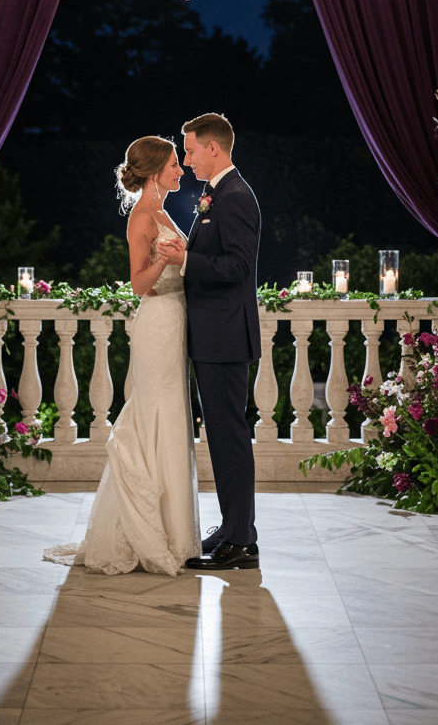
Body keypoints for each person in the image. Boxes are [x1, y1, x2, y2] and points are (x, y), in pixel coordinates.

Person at [44, 135, 201, 575]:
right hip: (157, 321)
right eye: (174, 164)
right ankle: (146, 532)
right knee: (155, 411)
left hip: (174, 321)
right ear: (154, 172)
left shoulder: (161, 210)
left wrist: (183, 259)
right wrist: (169, 262)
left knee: (170, 414)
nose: (180, 170)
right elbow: (138, 284)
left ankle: (173, 530)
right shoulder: (141, 218)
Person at [157, 112, 261, 570]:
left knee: (229, 437)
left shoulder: (235, 197)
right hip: (214, 335)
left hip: (225, 337)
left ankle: (242, 541)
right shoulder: (217, 194)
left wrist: (186, 261)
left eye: (191, 150)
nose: (186, 159)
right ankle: (231, 528)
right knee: (220, 436)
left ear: (213, 148)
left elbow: (237, 269)